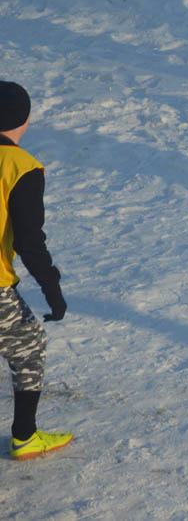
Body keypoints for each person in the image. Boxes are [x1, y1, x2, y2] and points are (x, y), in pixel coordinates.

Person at [0, 81, 71, 459]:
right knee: (28, 346)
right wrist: (52, 289)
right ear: (24, 120)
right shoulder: (21, 167)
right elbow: (29, 242)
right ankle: (25, 436)